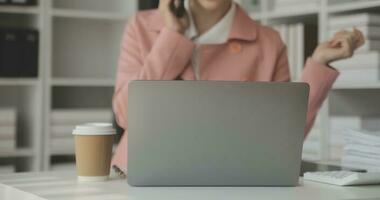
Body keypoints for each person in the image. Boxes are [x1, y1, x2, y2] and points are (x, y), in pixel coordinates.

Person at [111, 0, 365, 175]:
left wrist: (319, 64)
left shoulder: (268, 42)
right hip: (142, 180)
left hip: (233, 183)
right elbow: (126, 114)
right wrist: (172, 37)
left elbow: (283, 136)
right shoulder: (141, 27)